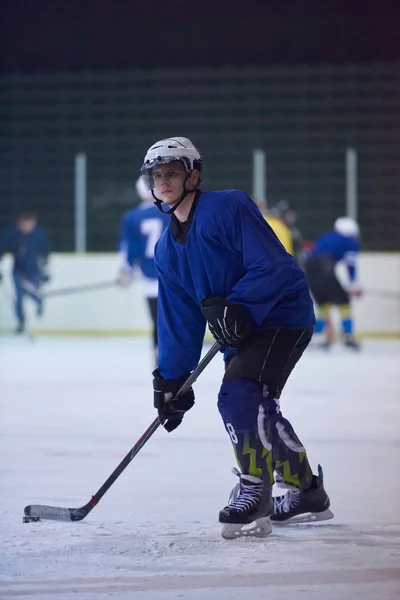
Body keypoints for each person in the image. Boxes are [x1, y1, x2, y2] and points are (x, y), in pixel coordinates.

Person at [140, 137, 333, 539]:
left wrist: (239, 305)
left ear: (193, 175)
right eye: (157, 175)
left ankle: (254, 489)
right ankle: (305, 492)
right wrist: (173, 379)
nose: (164, 182)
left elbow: (276, 266)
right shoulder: (166, 250)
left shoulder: (227, 206)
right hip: (242, 330)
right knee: (259, 406)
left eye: (172, 173)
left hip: (280, 316)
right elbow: (178, 319)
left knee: (238, 396)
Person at [116, 177, 169, 362]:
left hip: (149, 278)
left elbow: (129, 249)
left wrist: (126, 271)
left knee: (158, 321)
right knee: (173, 320)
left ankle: (159, 357)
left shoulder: (132, 217)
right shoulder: (173, 211)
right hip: (174, 277)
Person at [304, 217, 362, 350]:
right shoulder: (350, 241)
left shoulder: (327, 237)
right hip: (325, 267)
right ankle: (348, 335)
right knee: (344, 302)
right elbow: (350, 263)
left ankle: (317, 336)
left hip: (310, 269)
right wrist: (353, 284)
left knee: (324, 304)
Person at [0, 211, 51, 334]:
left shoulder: (38, 234)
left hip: (34, 271)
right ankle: (21, 322)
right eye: (24, 223)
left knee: (33, 292)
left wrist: (45, 271)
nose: (26, 226)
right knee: (19, 297)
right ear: (19, 223)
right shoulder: (11, 234)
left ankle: (39, 302)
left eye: (30, 223)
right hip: (18, 271)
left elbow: (45, 253)